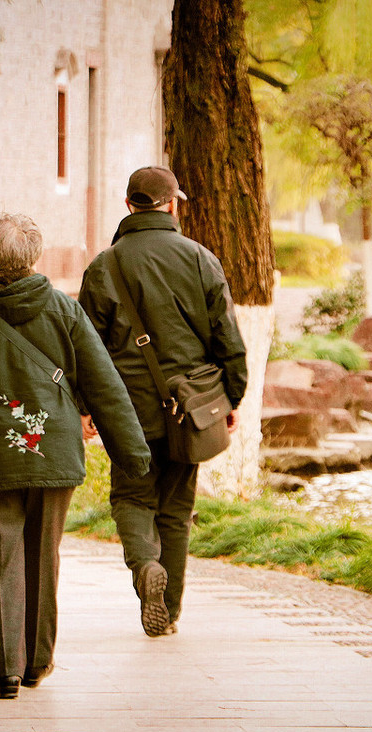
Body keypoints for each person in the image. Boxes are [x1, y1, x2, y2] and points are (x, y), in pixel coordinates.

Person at [0, 213, 150, 699]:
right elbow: (104, 385)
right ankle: (36, 663)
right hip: (52, 454)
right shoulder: (63, 310)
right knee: (43, 557)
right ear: (33, 255)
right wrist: (133, 454)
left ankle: (6, 672)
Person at [77, 166, 247, 637]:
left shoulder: (104, 266)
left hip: (126, 408)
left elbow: (86, 347)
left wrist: (85, 406)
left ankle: (144, 568)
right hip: (192, 407)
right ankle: (168, 612)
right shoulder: (200, 259)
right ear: (172, 204)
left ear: (129, 205)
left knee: (132, 496)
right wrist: (231, 396)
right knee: (176, 507)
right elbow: (227, 338)